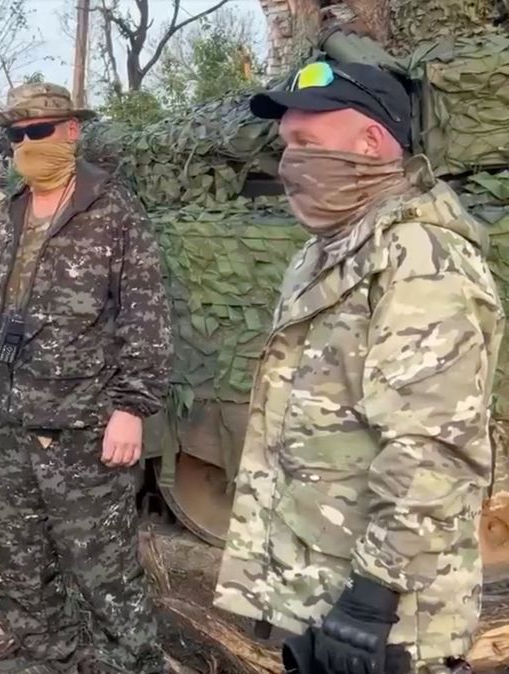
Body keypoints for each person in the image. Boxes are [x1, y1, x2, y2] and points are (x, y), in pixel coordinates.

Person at [213, 60, 504, 674]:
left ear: (370, 142)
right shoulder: (328, 250)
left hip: (389, 614)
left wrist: (373, 598)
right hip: (320, 585)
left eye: (305, 143)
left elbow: (433, 447)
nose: (288, 161)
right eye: (285, 144)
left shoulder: (421, 256)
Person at [0, 82, 173, 674]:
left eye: (39, 130)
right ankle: (49, 656)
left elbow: (145, 314)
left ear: (72, 131)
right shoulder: (8, 215)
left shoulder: (113, 211)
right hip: (10, 417)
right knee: (18, 555)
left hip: (83, 422)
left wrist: (132, 407)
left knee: (102, 563)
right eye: (16, 135)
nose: (26, 144)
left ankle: (132, 663)